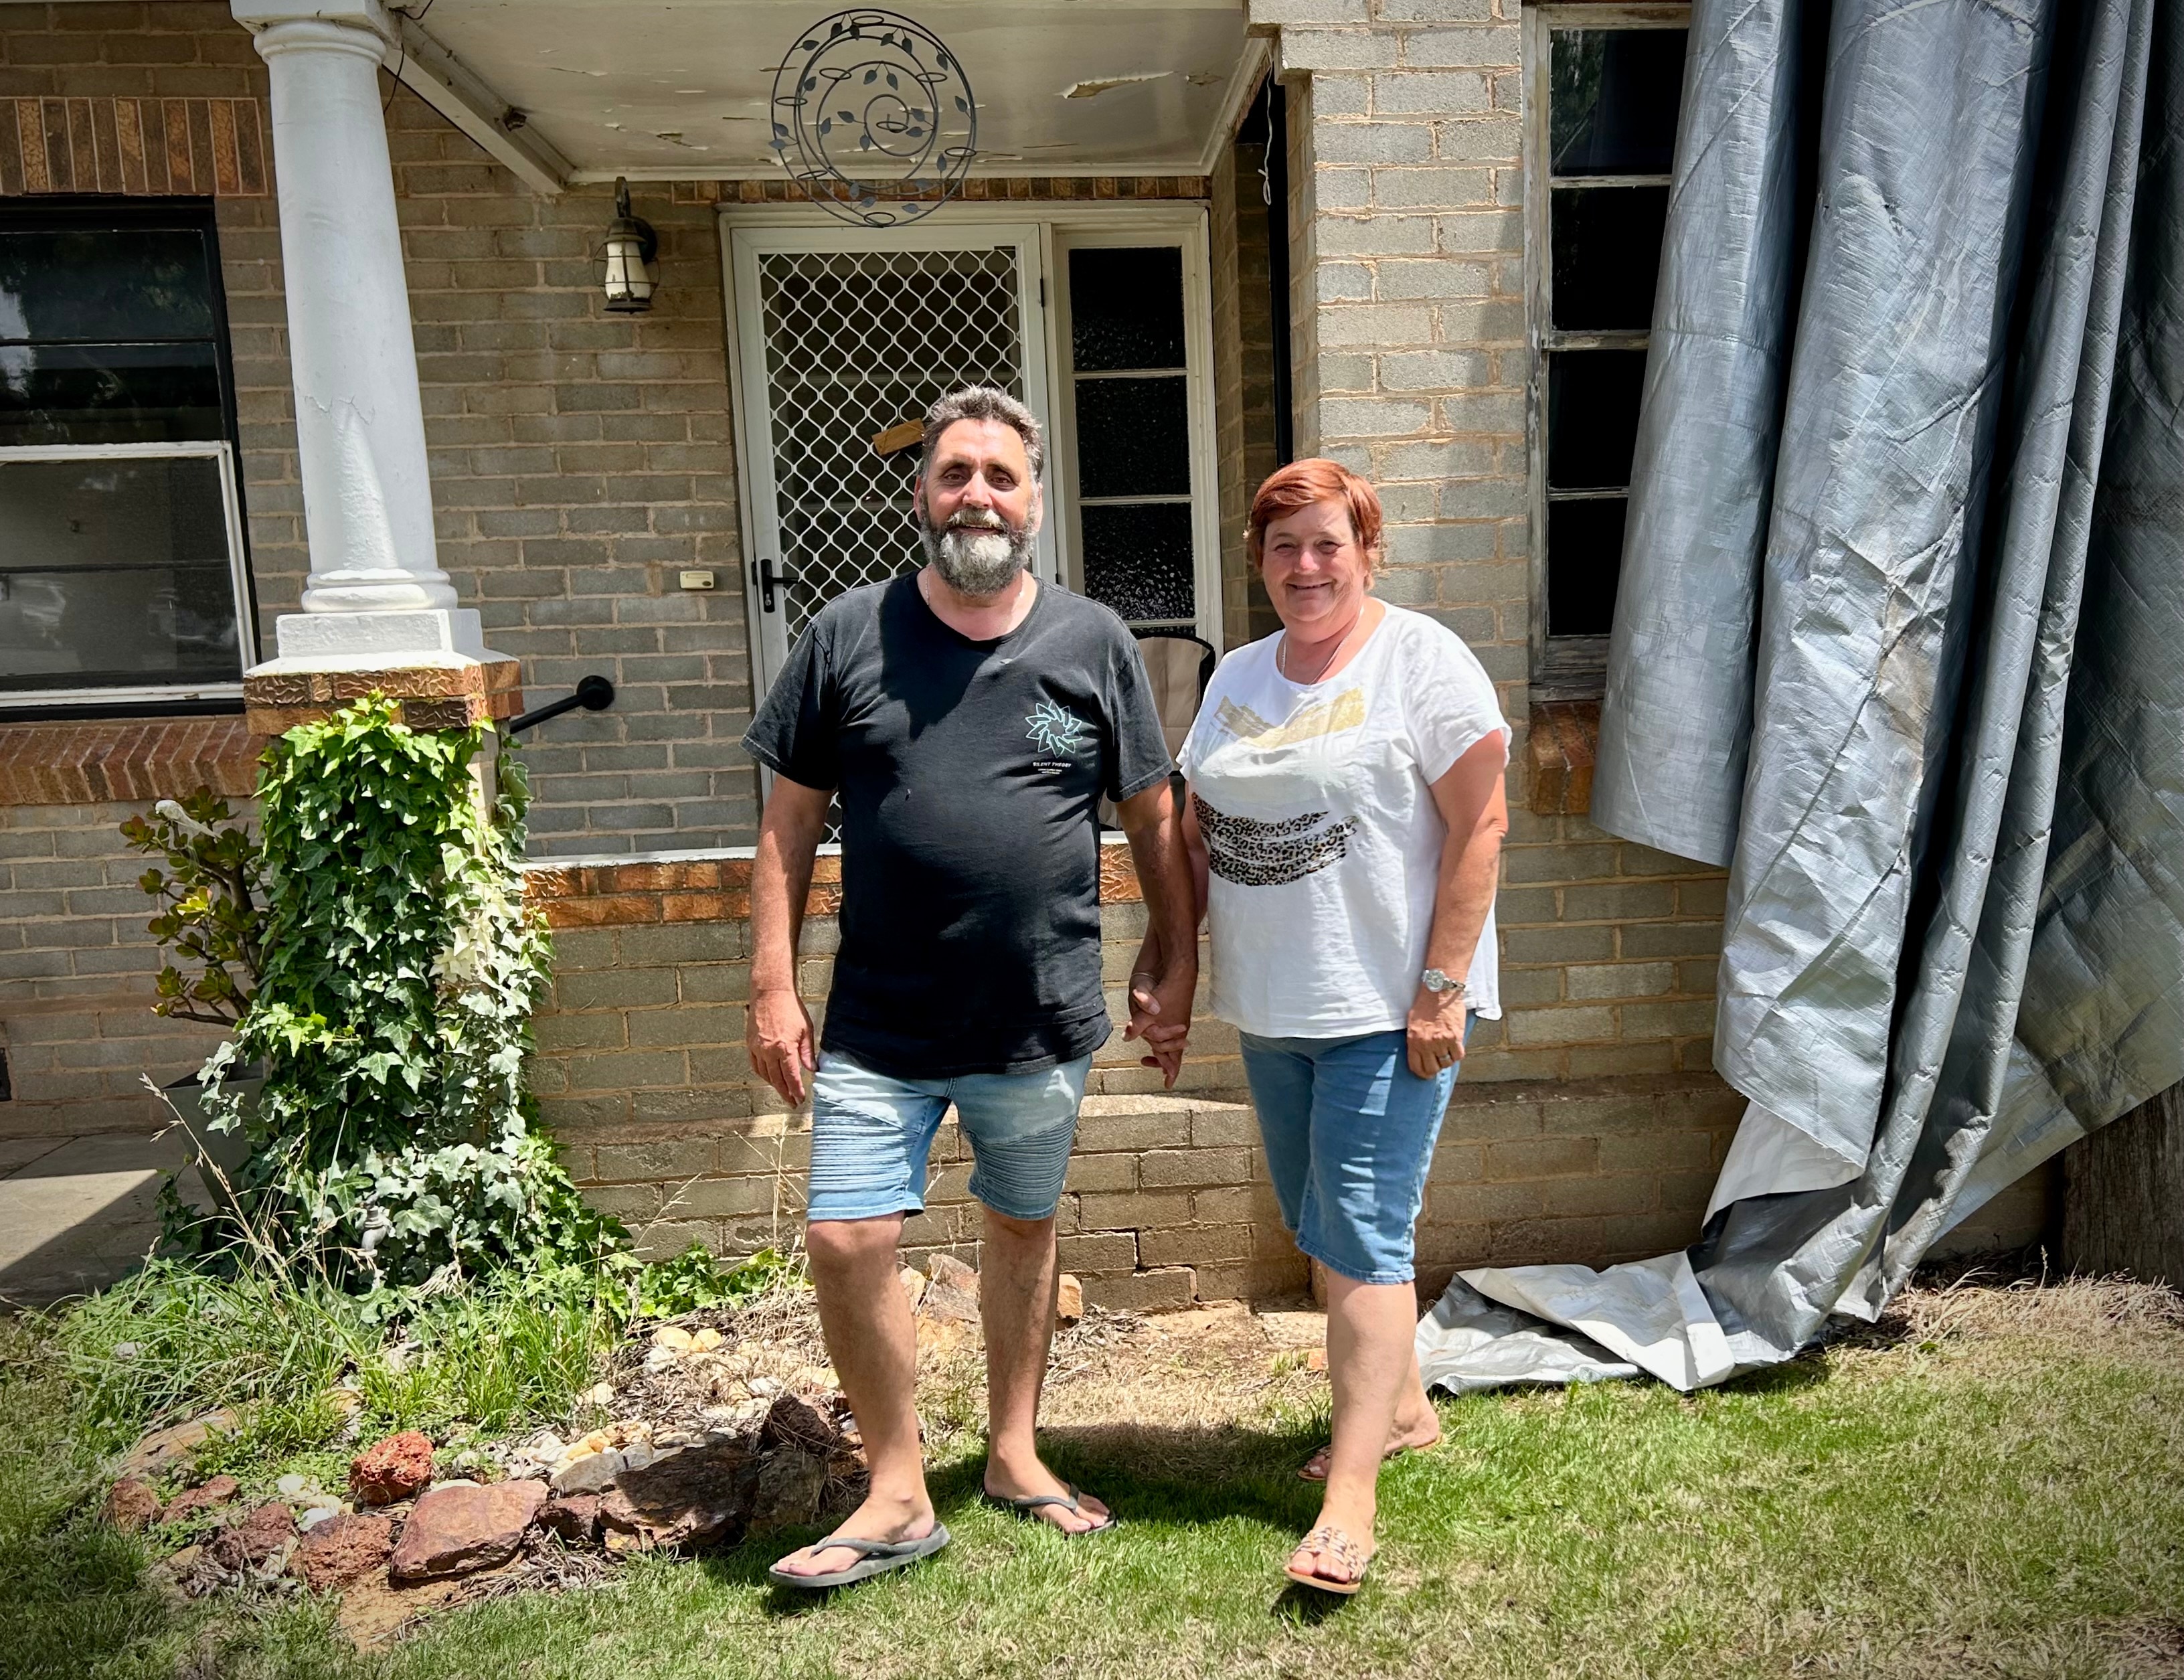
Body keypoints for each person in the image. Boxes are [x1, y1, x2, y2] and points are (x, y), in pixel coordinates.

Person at [742, 386, 1199, 1590]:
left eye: (1001, 474)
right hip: (878, 1021)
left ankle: (1012, 1452)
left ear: (1035, 500)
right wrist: (771, 988)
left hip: (1037, 1018)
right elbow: (786, 830)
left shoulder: (1094, 640)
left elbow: (1154, 818)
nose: (977, 494)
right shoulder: (847, 634)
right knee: (847, 1236)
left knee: (1022, 1226)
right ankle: (898, 1490)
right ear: (922, 493)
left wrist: (1174, 953)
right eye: (956, 473)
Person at [1135, 458, 1509, 1594]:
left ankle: (1350, 1505)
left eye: (1328, 544)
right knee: (1318, 1218)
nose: (1307, 566)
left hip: (1387, 1008)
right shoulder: (1240, 674)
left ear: (1367, 550)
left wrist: (1443, 986)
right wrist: (1173, 966)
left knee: (1359, 1238)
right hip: (1276, 1004)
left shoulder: (1422, 660)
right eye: (1284, 546)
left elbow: (1482, 823)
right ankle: (1400, 1412)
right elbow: (1199, 837)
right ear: (1258, 559)